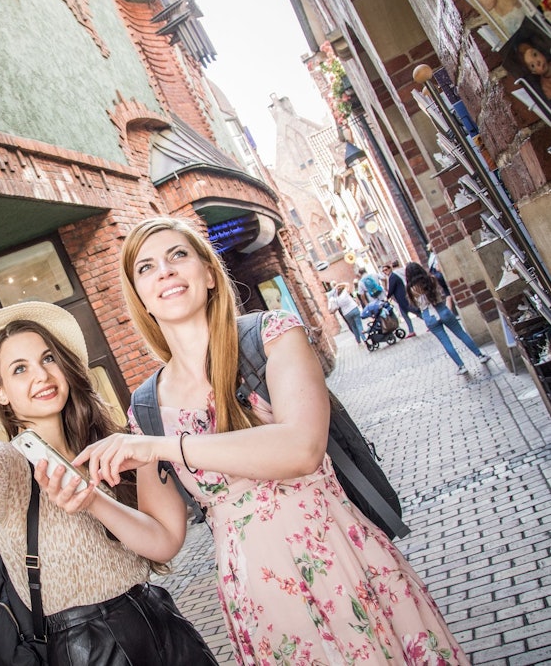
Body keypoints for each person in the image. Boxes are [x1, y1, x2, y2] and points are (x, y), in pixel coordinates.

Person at [75, 217, 468, 665]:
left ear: (207, 274)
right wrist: (91, 500)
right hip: (261, 600)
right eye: (145, 267)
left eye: (177, 255)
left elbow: (301, 450)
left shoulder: (273, 335)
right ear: (139, 296)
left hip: (340, 563)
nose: (163, 271)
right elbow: (165, 539)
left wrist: (165, 447)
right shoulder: (146, 407)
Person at [0, 298, 216, 665]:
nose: (41, 376)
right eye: (19, 369)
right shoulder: (12, 467)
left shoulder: (115, 447)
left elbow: (164, 542)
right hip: (89, 649)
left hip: (161, 624)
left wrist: (97, 496)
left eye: (48, 359)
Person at [406, 261, 491, 375]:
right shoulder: (431, 279)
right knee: (461, 333)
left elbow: (415, 306)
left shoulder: (411, 289)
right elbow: (441, 292)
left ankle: (461, 366)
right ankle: (480, 355)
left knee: (445, 342)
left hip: (428, 315)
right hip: (441, 308)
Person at [382, 262, 417, 337]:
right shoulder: (390, 277)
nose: (385, 272)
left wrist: (387, 297)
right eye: (383, 271)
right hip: (400, 300)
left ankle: (427, 321)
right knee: (405, 315)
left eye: (386, 269)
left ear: (390, 269)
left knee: (415, 311)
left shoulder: (393, 277)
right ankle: (411, 331)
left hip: (403, 298)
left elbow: (391, 289)